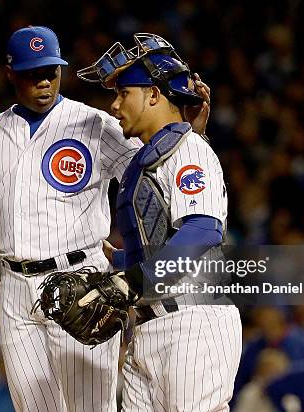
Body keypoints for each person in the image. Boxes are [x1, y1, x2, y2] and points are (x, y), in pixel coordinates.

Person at [0, 26, 144, 412]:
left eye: (51, 71)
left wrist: (133, 246)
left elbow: (151, 171)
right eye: (33, 74)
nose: (44, 82)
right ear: (11, 74)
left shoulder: (93, 124)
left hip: (82, 279)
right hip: (15, 286)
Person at [77, 33, 242, 411]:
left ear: (153, 94)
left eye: (123, 93)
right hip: (149, 326)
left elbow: (201, 229)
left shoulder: (189, 148)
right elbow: (157, 244)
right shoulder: (150, 158)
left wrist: (130, 280)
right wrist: (113, 264)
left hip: (193, 324)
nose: (115, 105)